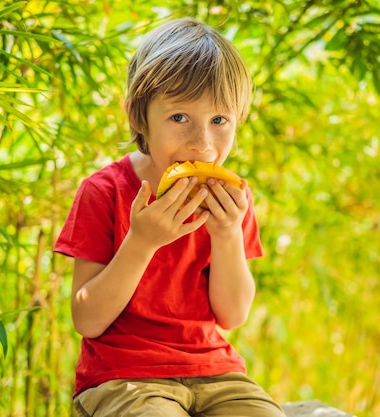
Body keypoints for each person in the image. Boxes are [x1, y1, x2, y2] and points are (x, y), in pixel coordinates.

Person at [54, 17, 287, 417]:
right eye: (180, 118)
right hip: (123, 376)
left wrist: (228, 234)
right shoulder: (104, 192)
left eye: (220, 120)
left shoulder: (232, 199)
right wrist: (141, 242)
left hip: (216, 373)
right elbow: (87, 319)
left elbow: (232, 315)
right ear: (138, 116)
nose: (202, 143)